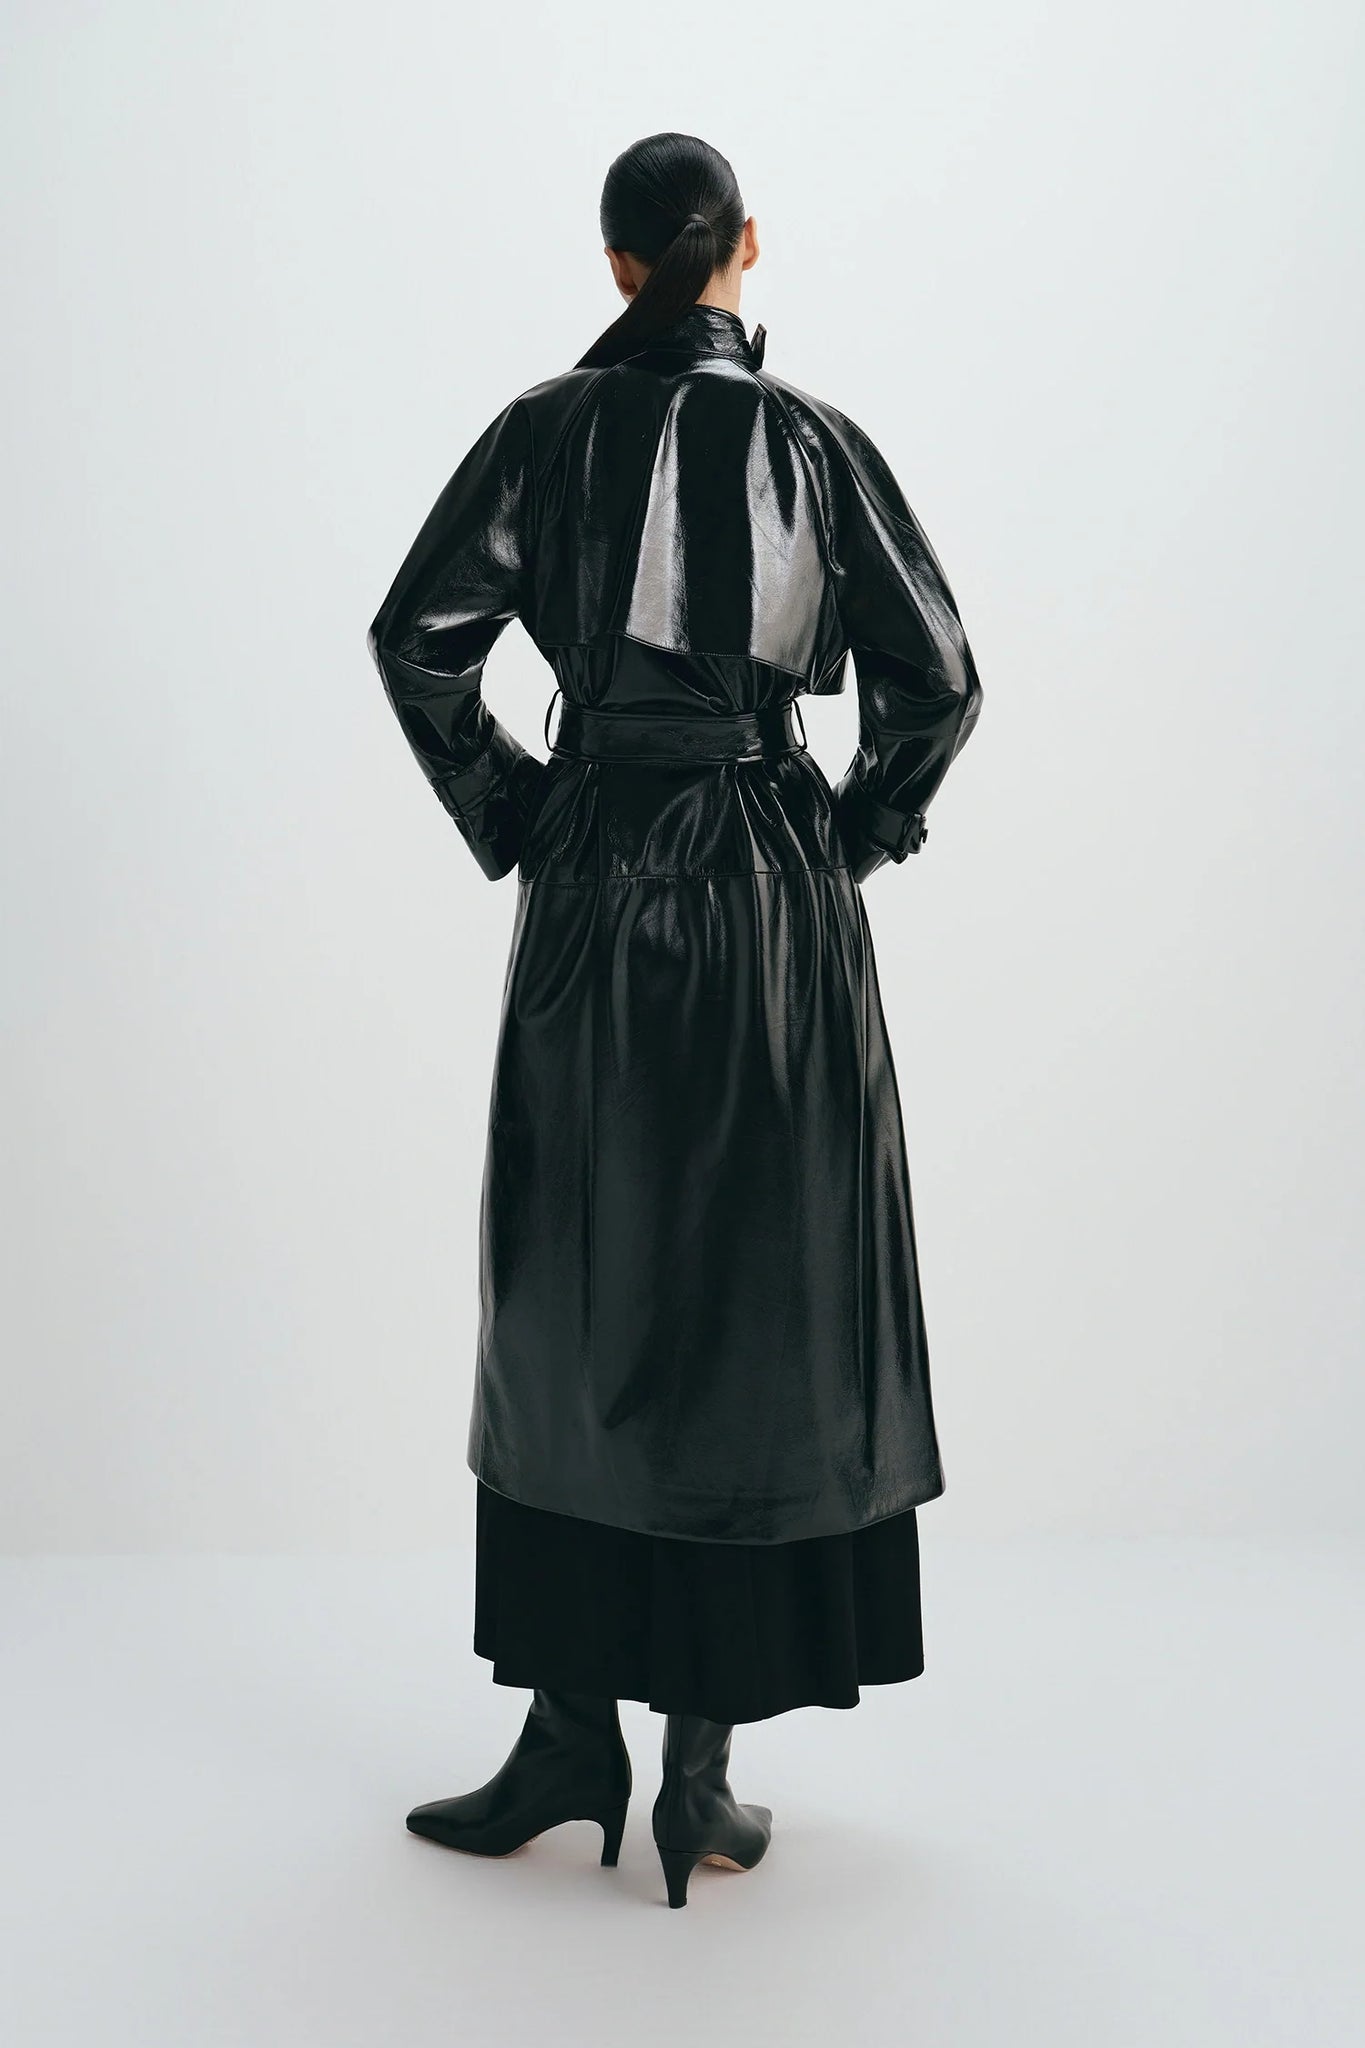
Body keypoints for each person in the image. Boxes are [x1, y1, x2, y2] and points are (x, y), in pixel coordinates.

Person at [366, 131, 983, 1910]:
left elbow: (419, 640)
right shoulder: (814, 445)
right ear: (745, 249)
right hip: (775, 897)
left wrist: (521, 809)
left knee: (574, 1287)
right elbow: (938, 681)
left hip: (593, 881)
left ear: (618, 263)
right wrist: (849, 834)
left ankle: (571, 1735)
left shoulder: (542, 431)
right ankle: (696, 1775)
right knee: (751, 1298)